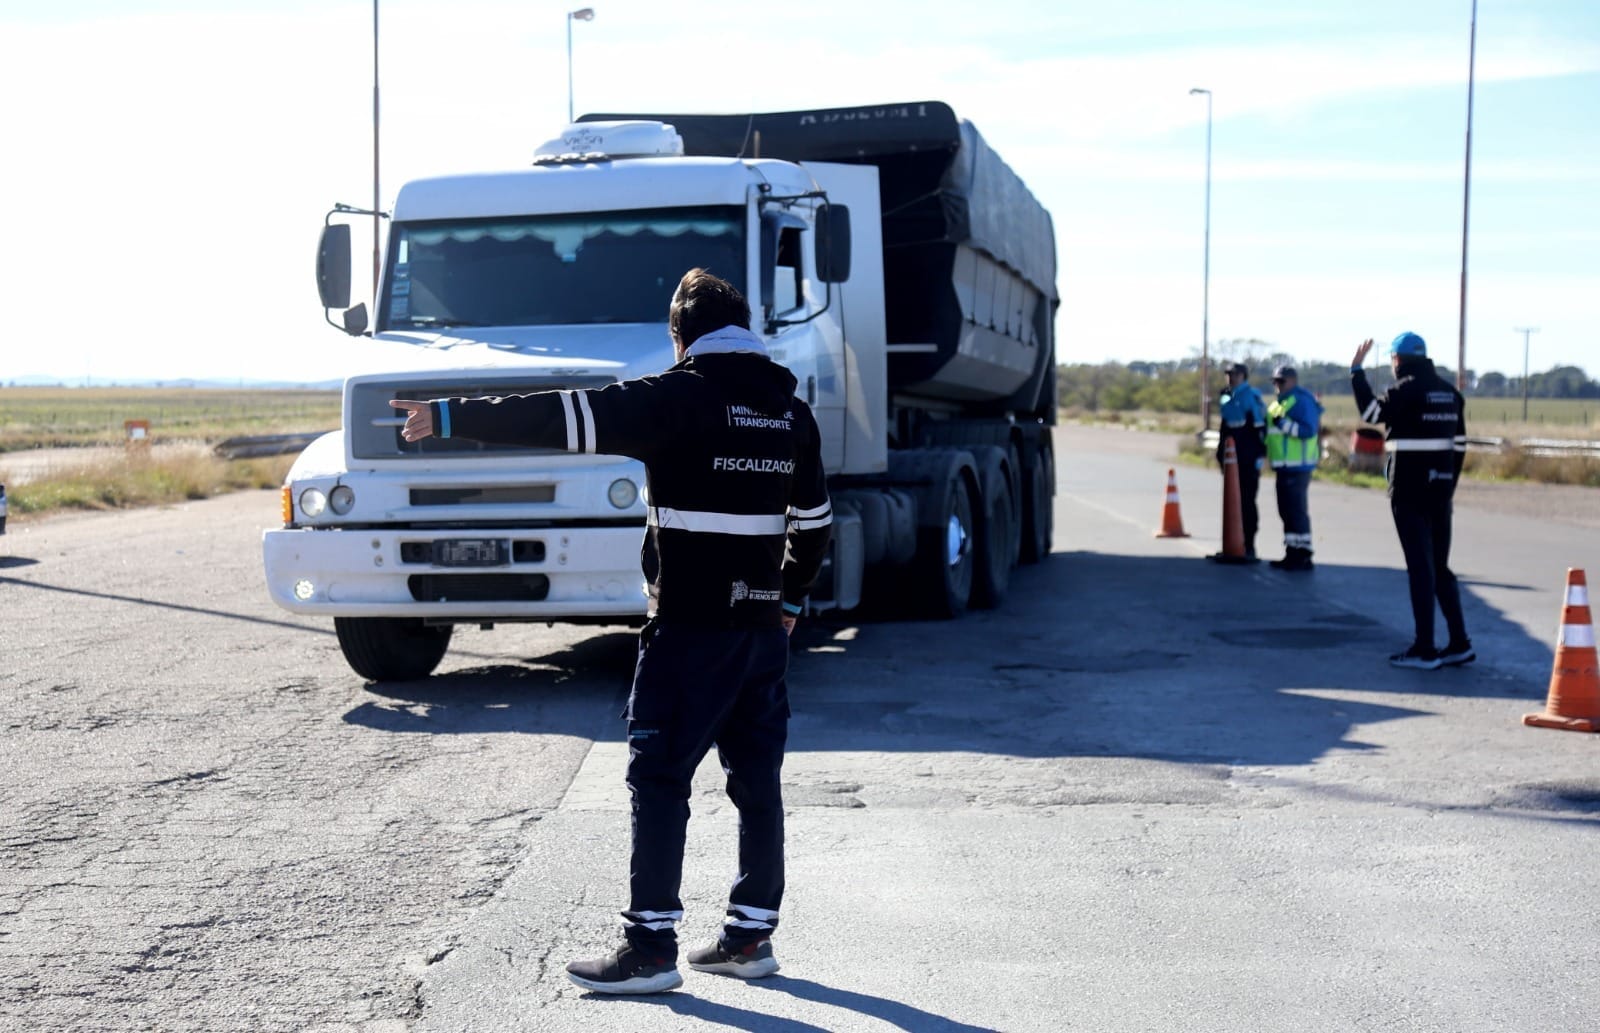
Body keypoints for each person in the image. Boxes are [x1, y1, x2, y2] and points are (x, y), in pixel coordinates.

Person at [390, 269, 832, 994]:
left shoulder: (675, 398)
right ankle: (750, 938)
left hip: (689, 630)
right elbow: (813, 527)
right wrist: (787, 601)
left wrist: (446, 416)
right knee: (757, 782)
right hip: (759, 633)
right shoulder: (793, 413)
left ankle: (651, 946)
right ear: (746, 327)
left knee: (659, 778)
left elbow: (563, 416)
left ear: (678, 334)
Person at [1352, 332, 1473, 670]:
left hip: (1408, 490)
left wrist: (1356, 373)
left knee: (1420, 568)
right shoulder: (1450, 393)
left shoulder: (1404, 389)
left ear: (1397, 360)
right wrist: (1449, 485)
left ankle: (1424, 648)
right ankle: (1459, 643)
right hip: (1441, 490)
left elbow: (1372, 414)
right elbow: (1460, 446)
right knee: (1440, 566)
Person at [1265, 365, 1323, 571]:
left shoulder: (1301, 401)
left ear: (1292, 381)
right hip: (1283, 467)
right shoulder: (1278, 404)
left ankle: (1304, 554)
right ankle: (1292, 551)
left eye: (1280, 382)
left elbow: (1308, 430)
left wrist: (1284, 425)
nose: (1276, 386)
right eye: (1274, 382)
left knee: (1296, 511)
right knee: (1286, 512)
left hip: (1298, 467)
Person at [1216, 361, 1267, 559]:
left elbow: (1260, 428)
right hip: (1231, 459)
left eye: (1235, 374)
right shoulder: (1226, 395)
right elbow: (1224, 426)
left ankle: (1249, 545)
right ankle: (1232, 543)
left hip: (1247, 457)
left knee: (1246, 501)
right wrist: (1221, 454)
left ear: (1243, 376)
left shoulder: (1251, 396)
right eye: (1228, 374)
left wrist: (1260, 454)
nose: (1231, 378)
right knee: (1231, 501)